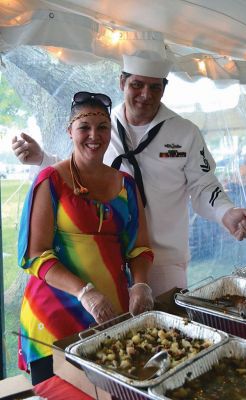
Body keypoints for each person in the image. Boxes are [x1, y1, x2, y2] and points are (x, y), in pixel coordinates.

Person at [12, 50, 246, 298]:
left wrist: (226, 211)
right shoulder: (102, 125)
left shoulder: (185, 133)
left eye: (154, 87)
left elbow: (203, 185)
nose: (145, 95)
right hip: (108, 258)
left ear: (164, 89)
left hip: (164, 258)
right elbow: (80, 173)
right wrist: (42, 159)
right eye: (137, 85)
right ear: (122, 82)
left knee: (167, 330)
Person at [17, 91, 154, 385]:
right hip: (53, 317)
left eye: (102, 127)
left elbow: (139, 247)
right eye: (84, 127)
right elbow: (36, 255)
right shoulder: (50, 181)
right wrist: (84, 293)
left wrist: (141, 283)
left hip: (109, 314)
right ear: (70, 131)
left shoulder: (126, 185)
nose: (94, 135)